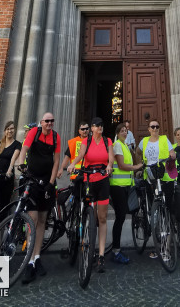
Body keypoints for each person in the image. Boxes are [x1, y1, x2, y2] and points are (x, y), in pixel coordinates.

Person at [17, 112, 61, 283]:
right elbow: (24, 149)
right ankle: (28, 261)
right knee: (32, 221)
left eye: (52, 121)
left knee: (42, 220)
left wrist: (51, 183)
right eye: (47, 121)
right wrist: (21, 164)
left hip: (46, 183)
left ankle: (37, 258)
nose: (50, 123)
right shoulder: (33, 133)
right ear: (41, 122)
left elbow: (56, 161)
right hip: (33, 180)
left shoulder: (55, 137)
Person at [67, 116, 114, 274]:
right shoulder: (86, 142)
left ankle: (100, 255)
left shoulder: (107, 141)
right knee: (90, 216)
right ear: (92, 128)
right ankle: (86, 244)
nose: (99, 127)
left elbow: (111, 157)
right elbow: (80, 155)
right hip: (89, 180)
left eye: (101, 125)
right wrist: (73, 164)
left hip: (103, 180)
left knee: (102, 218)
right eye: (96, 125)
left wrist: (109, 165)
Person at [137, 118, 176, 258]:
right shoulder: (144, 141)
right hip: (150, 180)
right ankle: (157, 245)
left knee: (167, 212)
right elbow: (138, 152)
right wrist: (141, 165)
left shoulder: (165, 139)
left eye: (157, 126)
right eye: (152, 127)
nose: (154, 129)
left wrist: (172, 156)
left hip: (165, 179)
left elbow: (172, 153)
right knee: (154, 213)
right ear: (148, 129)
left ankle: (166, 248)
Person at [110, 122, 143, 263]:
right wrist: (137, 167)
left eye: (126, 130)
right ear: (117, 133)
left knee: (122, 216)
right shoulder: (117, 145)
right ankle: (116, 250)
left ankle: (116, 248)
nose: (125, 132)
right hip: (117, 186)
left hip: (125, 186)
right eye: (122, 131)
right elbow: (122, 165)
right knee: (120, 217)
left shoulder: (124, 145)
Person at [0, 121, 21, 225]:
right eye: (8, 129)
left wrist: (9, 170)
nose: (10, 131)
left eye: (12, 129)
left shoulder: (17, 144)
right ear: (5, 131)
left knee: (4, 207)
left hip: (6, 179)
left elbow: (13, 159)